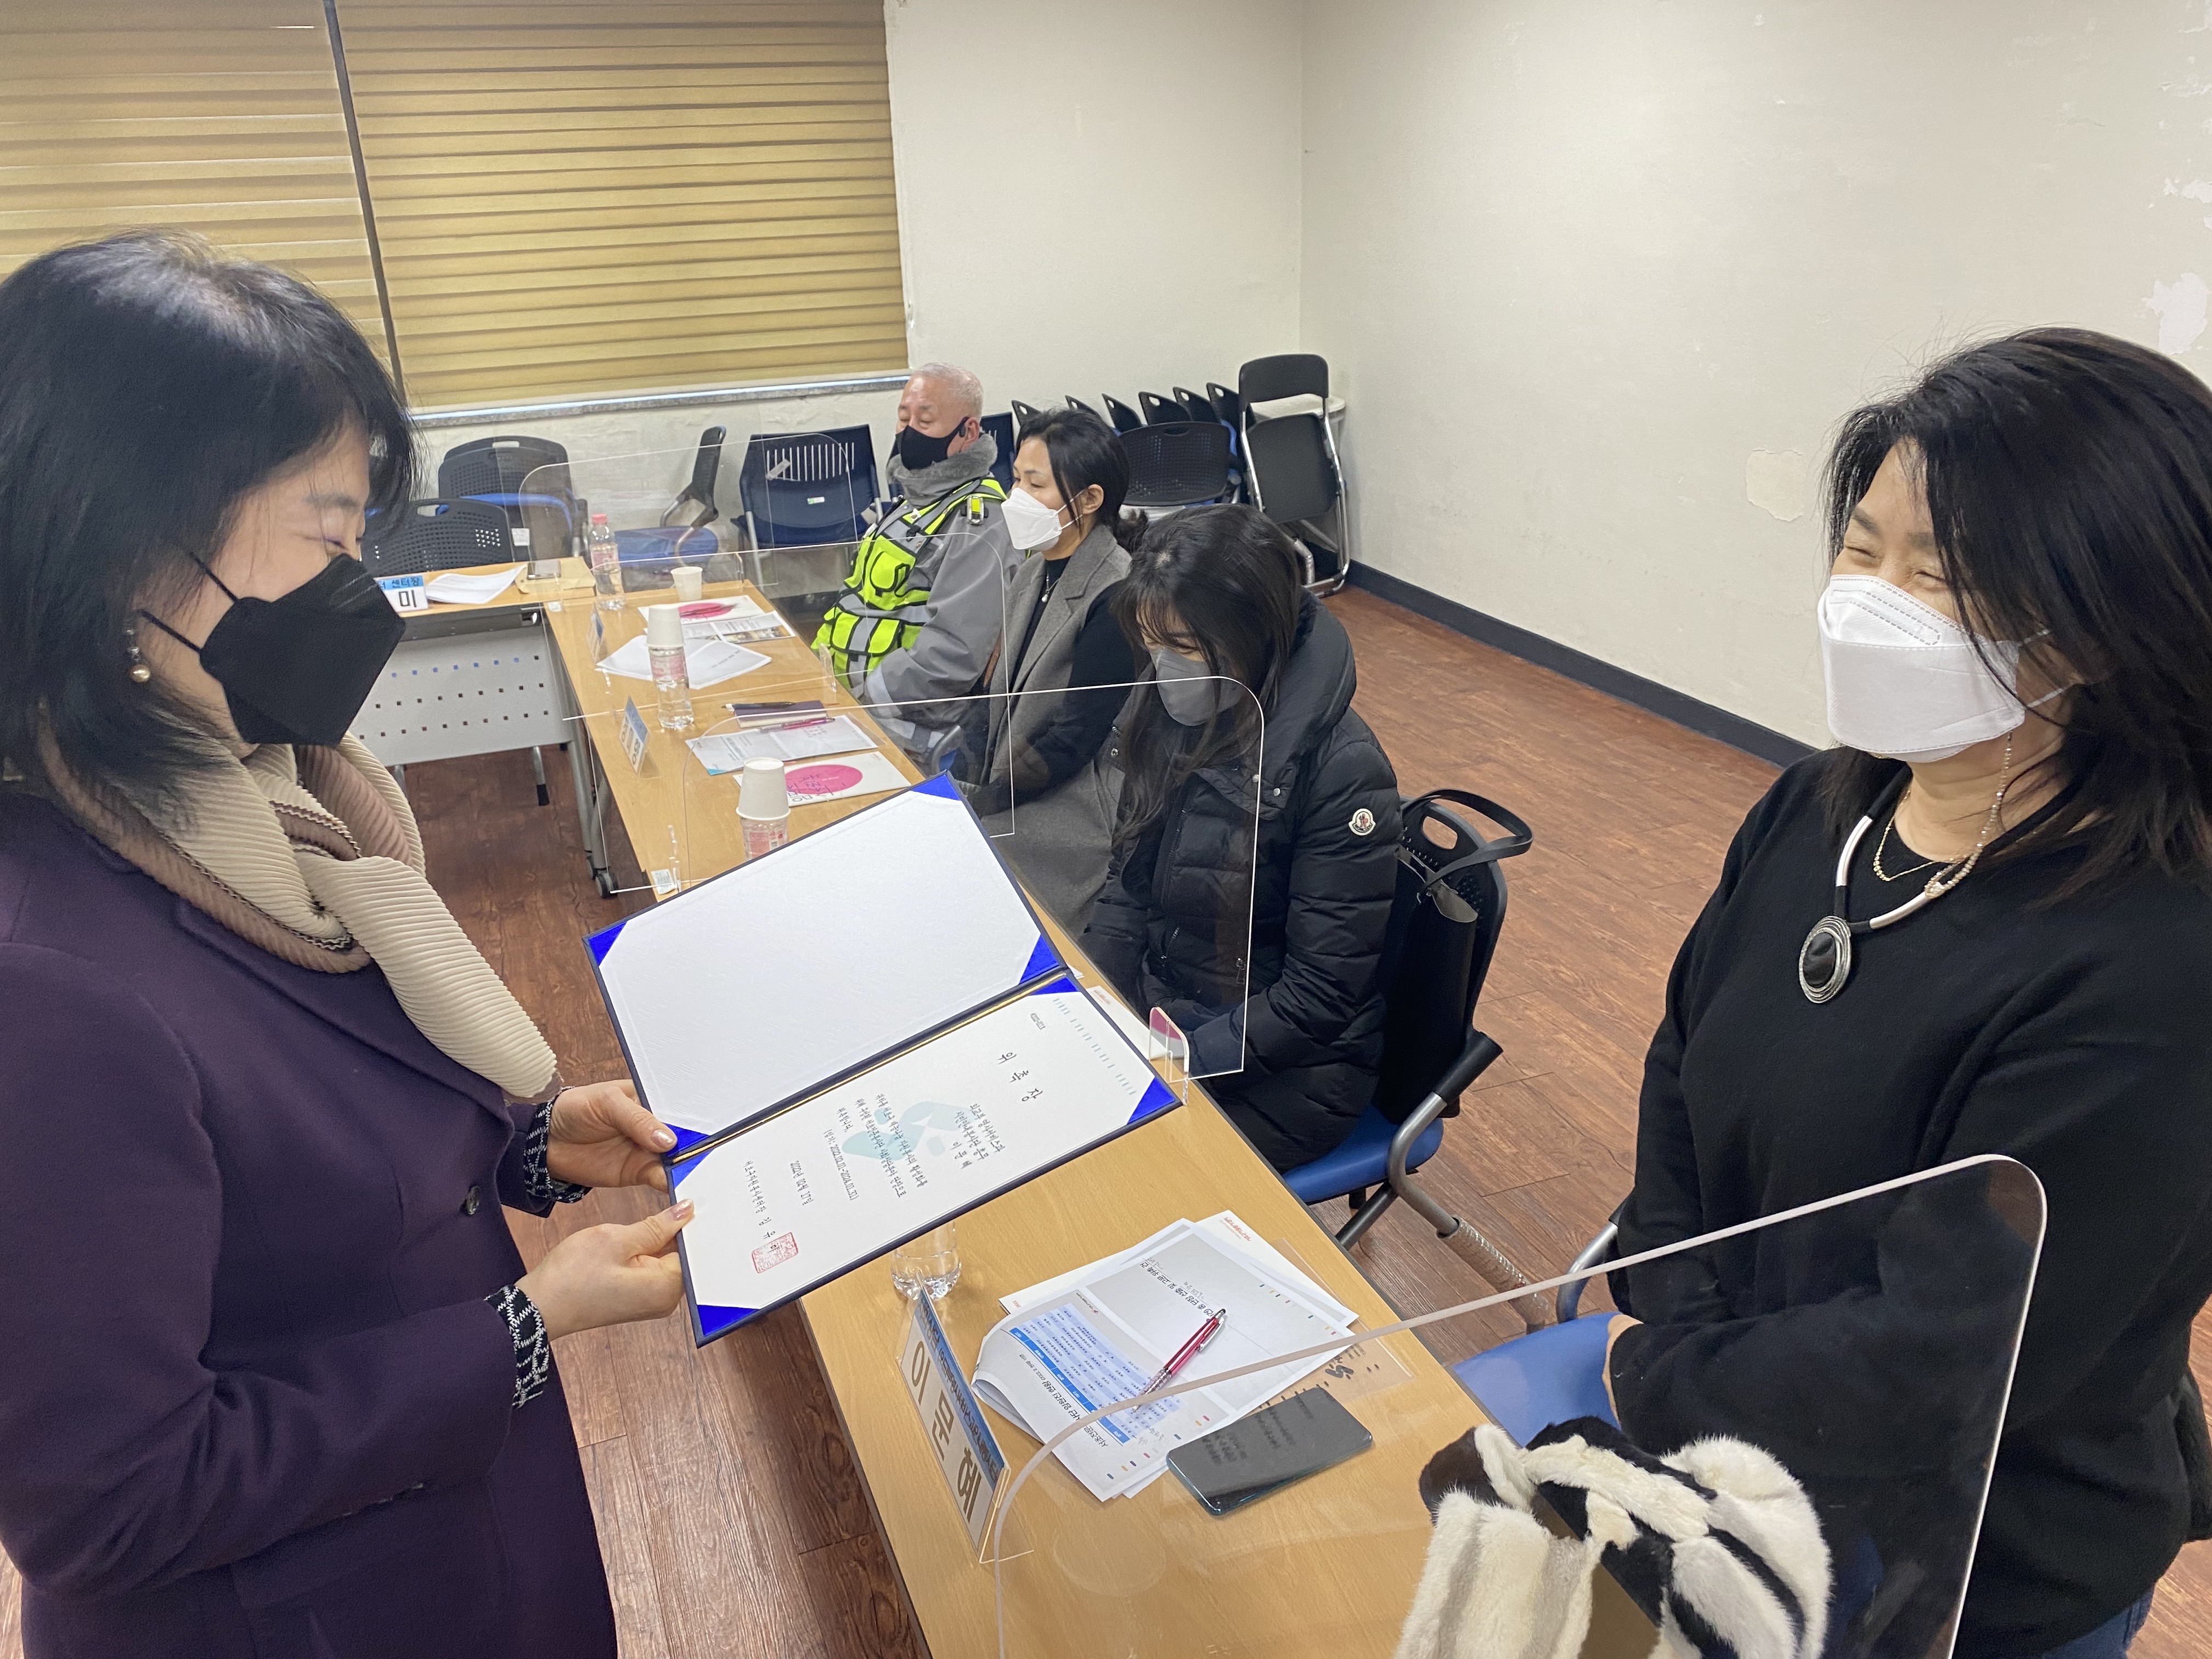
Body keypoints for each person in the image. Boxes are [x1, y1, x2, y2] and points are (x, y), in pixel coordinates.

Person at [0, 230, 693, 1659]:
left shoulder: (266, 800)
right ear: (120, 549)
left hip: (452, 1532)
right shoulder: (49, 981)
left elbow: (295, 1151)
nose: (356, 578)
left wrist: (532, 1145)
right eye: (327, 535)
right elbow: (112, 1503)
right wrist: (521, 1326)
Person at [1604, 329, 2212, 1658]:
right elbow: (1683, 1064)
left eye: (1943, 576)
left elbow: (1949, 1354)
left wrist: (1663, 1378)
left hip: (1966, 1576)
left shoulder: (2158, 964)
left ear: (2109, 618)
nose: (1874, 602)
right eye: (1861, 549)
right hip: (1737, 1466)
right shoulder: (1817, 810)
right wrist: (1673, 1316)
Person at [1081, 505, 1401, 1170]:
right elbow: (1127, 887)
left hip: (1290, 1074)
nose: (1164, 667)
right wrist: (1092, 1004)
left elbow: (1319, 997)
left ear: (1253, 634)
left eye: (1184, 647)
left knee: (1102, 1172)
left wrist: (1178, 1061)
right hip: (1172, 1019)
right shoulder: (1175, 711)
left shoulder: (1342, 771)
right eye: (1152, 644)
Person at [954, 407, 1143, 928]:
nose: (1017, 496)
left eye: (1035, 484)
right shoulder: (1032, 570)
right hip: (1013, 780)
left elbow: (1076, 737)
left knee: (962, 876)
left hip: (1069, 799)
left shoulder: (1116, 593)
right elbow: (994, 693)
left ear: (1090, 499)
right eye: (1016, 479)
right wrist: (963, 777)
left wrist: (987, 800)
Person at [814, 362, 1011, 761]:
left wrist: (867, 699)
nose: (909, 432)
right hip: (844, 704)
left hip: (907, 728)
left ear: (968, 432)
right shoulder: (913, 502)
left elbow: (955, 652)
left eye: (925, 420)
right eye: (904, 418)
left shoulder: (978, 521)